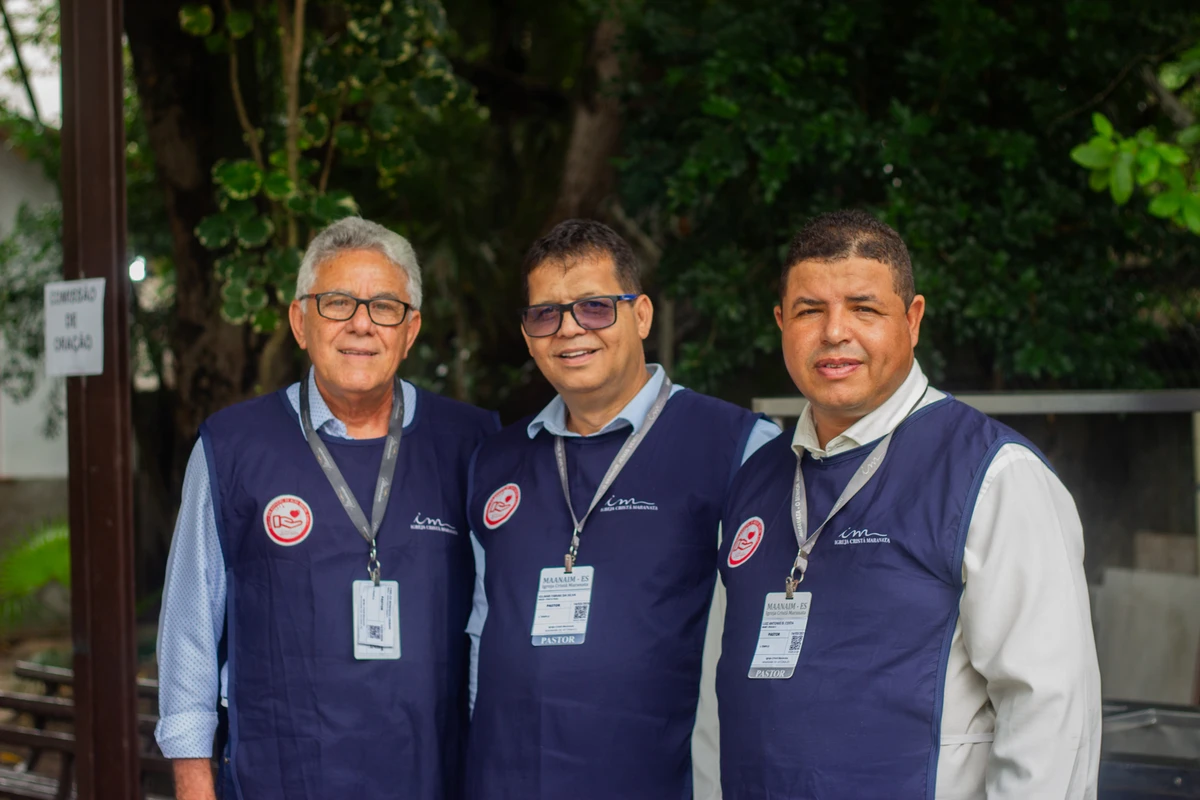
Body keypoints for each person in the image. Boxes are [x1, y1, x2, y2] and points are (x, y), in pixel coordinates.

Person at [715, 210, 1101, 799]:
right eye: (809, 310)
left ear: (912, 319)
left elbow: (1050, 711)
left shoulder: (994, 475)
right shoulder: (757, 480)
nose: (834, 332)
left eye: (864, 308)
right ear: (781, 323)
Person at [155, 218, 498, 800]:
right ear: (300, 322)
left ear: (410, 330)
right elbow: (190, 625)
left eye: (384, 306)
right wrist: (193, 780)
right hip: (280, 777)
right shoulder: (232, 446)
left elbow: (494, 622)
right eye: (337, 303)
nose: (361, 323)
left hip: (432, 776)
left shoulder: (472, 444)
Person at [464, 219, 780, 800]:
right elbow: (481, 634)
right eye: (545, 315)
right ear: (529, 335)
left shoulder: (739, 447)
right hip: (505, 779)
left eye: (593, 307)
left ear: (641, 315)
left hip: (661, 779)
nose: (569, 330)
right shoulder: (495, 460)